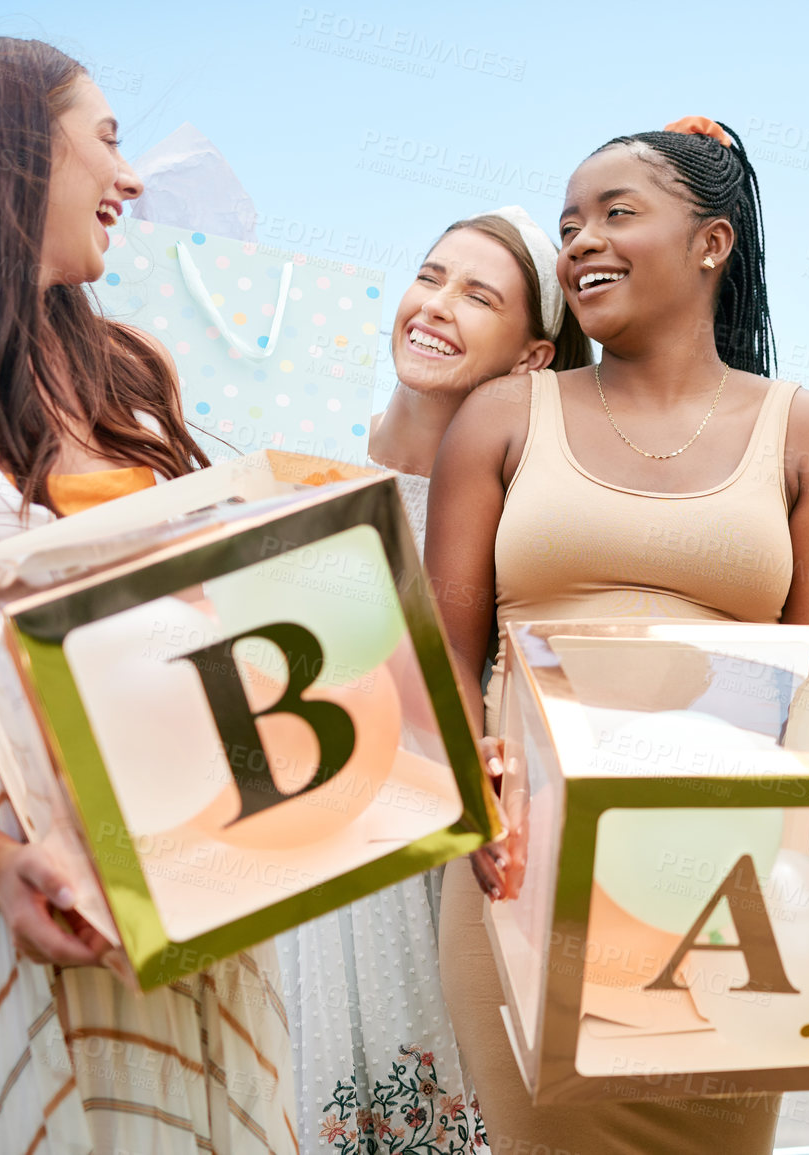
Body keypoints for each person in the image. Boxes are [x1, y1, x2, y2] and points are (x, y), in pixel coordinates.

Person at [0, 36, 296, 1153]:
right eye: (108, 141)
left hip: (190, 879)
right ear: (8, 153)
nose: (131, 179)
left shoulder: (132, 371)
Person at [427, 115, 809, 1154]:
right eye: (570, 224)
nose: (581, 243)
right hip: (522, 873)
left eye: (618, 213)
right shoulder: (504, 417)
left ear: (712, 242)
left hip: (728, 886)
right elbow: (439, 663)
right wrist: (466, 784)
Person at [280, 206, 589, 1152]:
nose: (437, 306)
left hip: (447, 857)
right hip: (302, 861)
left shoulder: (521, 515)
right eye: (430, 276)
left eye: (478, 295)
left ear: (533, 356)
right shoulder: (294, 463)